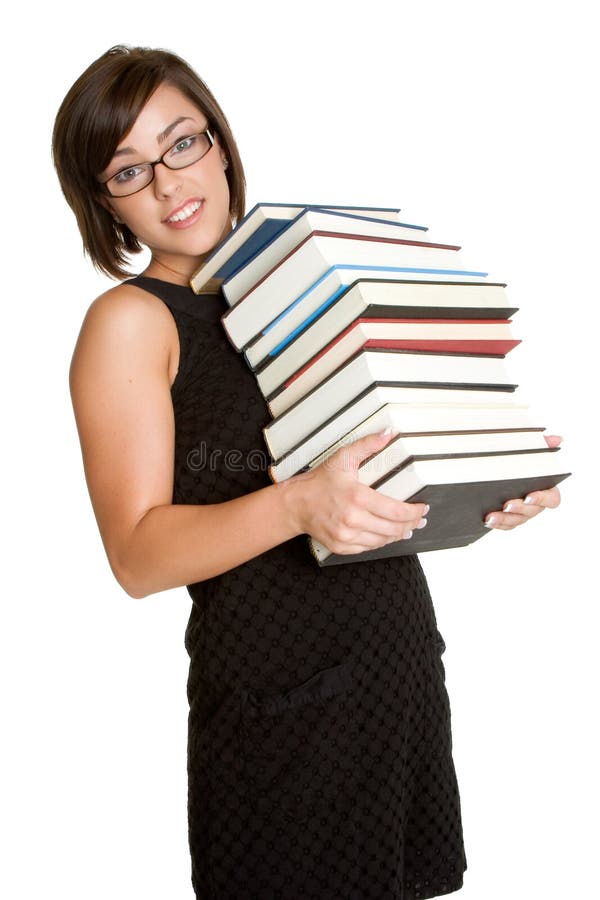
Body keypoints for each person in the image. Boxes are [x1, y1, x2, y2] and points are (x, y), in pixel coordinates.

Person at [53, 45, 561, 900]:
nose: (171, 185)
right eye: (129, 171)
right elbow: (136, 557)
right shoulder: (131, 322)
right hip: (279, 705)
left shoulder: (298, 281)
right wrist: (296, 504)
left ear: (219, 142)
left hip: (394, 670)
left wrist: (481, 487)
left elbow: (368, 469)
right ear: (103, 203)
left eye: (182, 144)